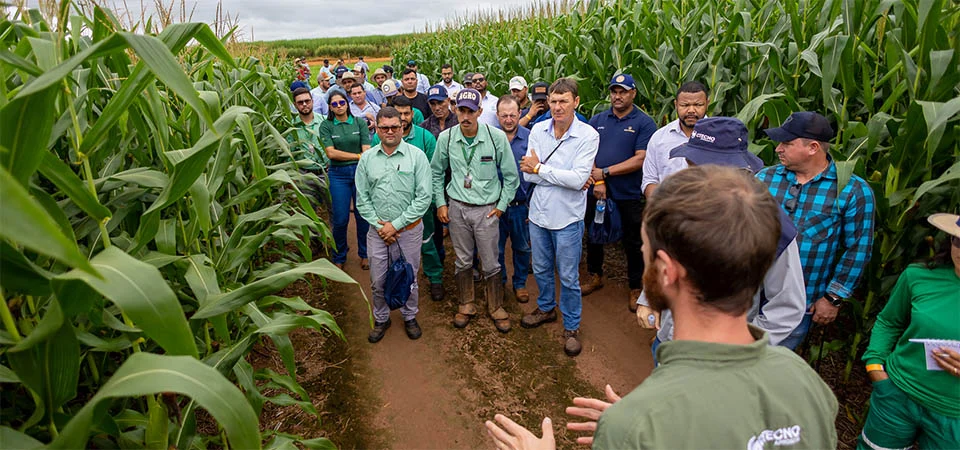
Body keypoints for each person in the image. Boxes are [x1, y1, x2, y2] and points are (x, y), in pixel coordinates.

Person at [485, 165, 839, 449]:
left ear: (667, 272)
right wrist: (641, 423)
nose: (644, 260)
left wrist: (635, 428)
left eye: (646, 251)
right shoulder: (806, 382)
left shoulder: (638, 425)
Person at [636, 117, 806, 352]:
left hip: (719, 354)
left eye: (697, 164)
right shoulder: (684, 201)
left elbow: (787, 306)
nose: (689, 171)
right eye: (689, 162)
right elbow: (663, 256)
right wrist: (649, 298)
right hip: (669, 338)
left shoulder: (770, 223)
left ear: (729, 168)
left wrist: (741, 347)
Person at [757, 111, 876, 349]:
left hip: (799, 304)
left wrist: (833, 298)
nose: (778, 148)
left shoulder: (852, 190)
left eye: (787, 143)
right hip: (751, 295)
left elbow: (858, 248)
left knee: (772, 362)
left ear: (813, 147)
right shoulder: (764, 179)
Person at [858, 213, 960, 450]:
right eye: (959, 240)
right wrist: (874, 365)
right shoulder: (919, 276)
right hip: (897, 396)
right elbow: (888, 321)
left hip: (954, 415)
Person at [518, 78, 599, 357]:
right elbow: (527, 175)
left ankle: (572, 325)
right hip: (539, 214)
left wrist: (541, 169)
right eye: (553, 101)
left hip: (568, 219)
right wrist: (558, 175)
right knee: (541, 268)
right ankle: (546, 308)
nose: (557, 107)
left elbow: (577, 180)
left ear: (576, 102)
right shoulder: (538, 130)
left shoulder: (588, 135)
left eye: (563, 101)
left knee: (567, 275)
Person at [432, 88, 519, 333]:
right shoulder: (446, 138)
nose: (466, 116)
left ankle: (495, 306)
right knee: (463, 259)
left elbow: (511, 177)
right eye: (461, 110)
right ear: (455, 110)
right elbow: (436, 172)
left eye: (471, 111)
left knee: (491, 261)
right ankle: (466, 303)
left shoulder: (495, 137)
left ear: (480, 111)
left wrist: (501, 206)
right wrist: (441, 203)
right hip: (458, 208)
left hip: (487, 210)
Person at [355, 107, 432, 343]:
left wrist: (396, 225)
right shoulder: (367, 159)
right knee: (378, 279)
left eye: (394, 127)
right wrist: (381, 227)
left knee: (409, 276)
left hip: (408, 231)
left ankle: (409, 315)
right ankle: (381, 317)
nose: (390, 131)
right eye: (385, 128)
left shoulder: (417, 156)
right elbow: (362, 198)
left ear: (402, 127)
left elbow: (424, 197)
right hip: (378, 232)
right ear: (377, 130)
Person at [582, 74, 658, 309]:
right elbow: (587, 152)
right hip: (597, 191)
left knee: (633, 241)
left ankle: (635, 287)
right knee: (594, 234)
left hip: (628, 193)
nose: (617, 96)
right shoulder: (597, 119)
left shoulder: (644, 123)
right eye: (614, 91)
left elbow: (640, 159)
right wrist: (598, 181)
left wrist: (605, 173)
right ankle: (595, 275)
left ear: (633, 93)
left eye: (623, 91)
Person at [371, 95, 444, 301]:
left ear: (413, 114)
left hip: (419, 204)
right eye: (398, 113)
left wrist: (427, 200)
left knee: (427, 241)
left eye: (406, 113)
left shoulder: (425, 137)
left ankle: (434, 277)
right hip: (390, 202)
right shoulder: (379, 138)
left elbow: (432, 172)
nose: (403, 118)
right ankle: (393, 280)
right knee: (391, 242)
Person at [319, 91, 371, 270]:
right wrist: (357, 155)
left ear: (347, 103)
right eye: (334, 104)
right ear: (330, 107)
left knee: (362, 215)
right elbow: (331, 153)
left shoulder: (359, 123)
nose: (339, 106)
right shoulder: (326, 126)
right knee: (340, 218)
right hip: (338, 174)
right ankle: (339, 255)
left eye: (342, 102)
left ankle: (365, 253)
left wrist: (359, 156)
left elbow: (367, 149)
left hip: (359, 173)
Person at [641, 80, 710, 198]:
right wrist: (661, 205)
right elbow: (650, 180)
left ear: (707, 104)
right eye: (685, 105)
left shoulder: (720, 137)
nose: (691, 110)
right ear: (676, 105)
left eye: (698, 105)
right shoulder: (659, 138)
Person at [496, 96, 533, 303]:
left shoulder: (530, 138)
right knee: (497, 248)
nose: (508, 120)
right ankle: (500, 282)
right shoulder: (491, 137)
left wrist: (532, 205)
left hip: (521, 205)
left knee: (522, 247)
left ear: (520, 114)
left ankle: (520, 283)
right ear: (497, 116)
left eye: (512, 115)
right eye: (504, 116)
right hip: (496, 205)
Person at [286, 87, 328, 207]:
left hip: (326, 173)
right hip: (304, 175)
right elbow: (289, 153)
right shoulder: (292, 127)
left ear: (312, 101)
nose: (304, 104)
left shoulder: (324, 122)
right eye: (300, 102)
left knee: (333, 208)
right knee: (308, 210)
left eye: (307, 101)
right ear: (295, 105)